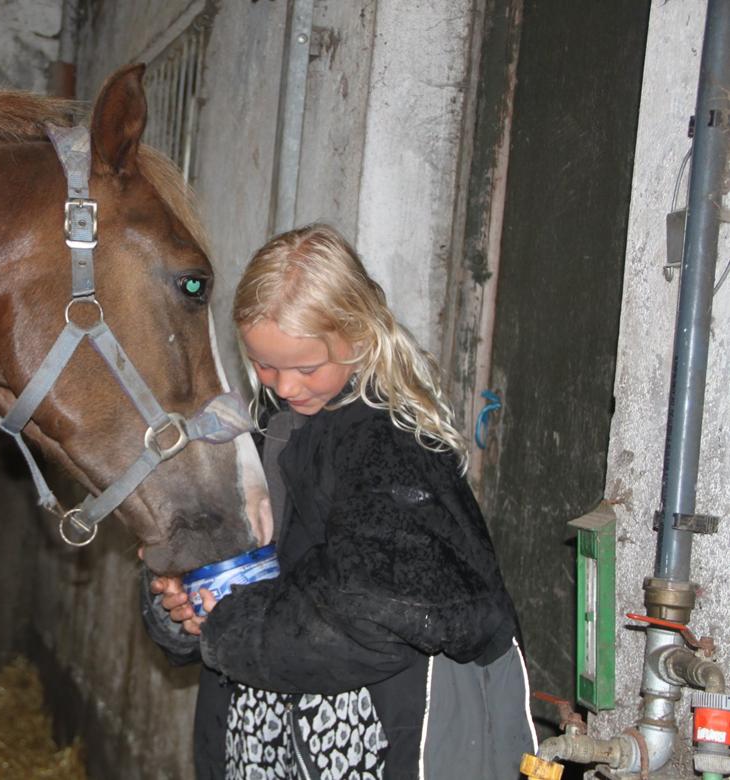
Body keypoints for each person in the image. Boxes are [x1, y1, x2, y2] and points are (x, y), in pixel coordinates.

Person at [140, 224, 537, 780]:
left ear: (361, 335)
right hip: (261, 748)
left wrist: (225, 628)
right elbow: (210, 560)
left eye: (306, 367)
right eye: (264, 366)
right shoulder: (263, 435)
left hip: (372, 747)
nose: (286, 386)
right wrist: (181, 607)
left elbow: (371, 611)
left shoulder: (393, 447)